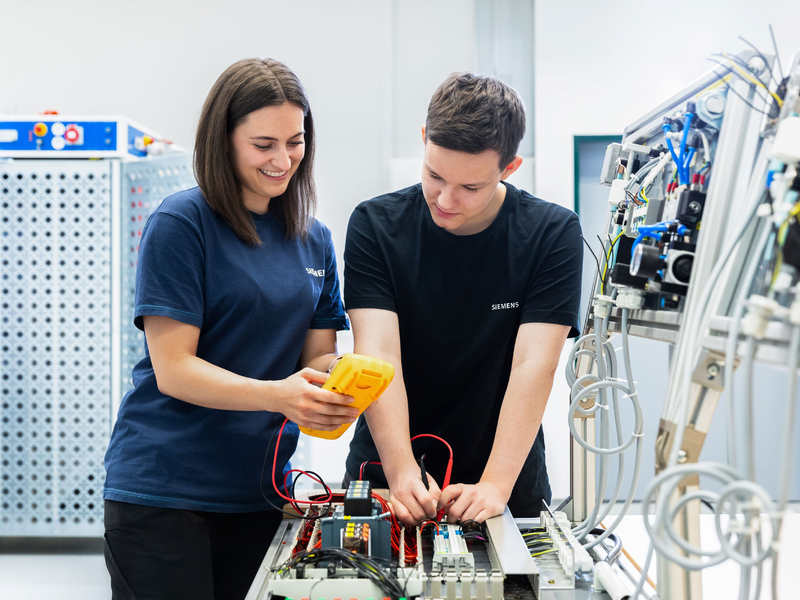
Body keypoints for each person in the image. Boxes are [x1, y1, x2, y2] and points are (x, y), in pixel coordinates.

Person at [103, 58, 357, 600]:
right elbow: (174, 370)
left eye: (295, 141)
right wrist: (277, 396)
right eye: (263, 143)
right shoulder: (181, 224)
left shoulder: (314, 239)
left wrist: (342, 379)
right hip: (166, 494)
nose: (283, 159)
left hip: (262, 494)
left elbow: (315, 358)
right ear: (223, 140)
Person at [343, 73, 582, 526]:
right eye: (434, 175)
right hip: (388, 474)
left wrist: (495, 483)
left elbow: (535, 363)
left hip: (505, 479)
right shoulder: (376, 225)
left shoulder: (551, 234)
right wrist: (400, 470)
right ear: (423, 139)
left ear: (509, 168)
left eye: (470, 187)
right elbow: (377, 353)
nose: (446, 199)